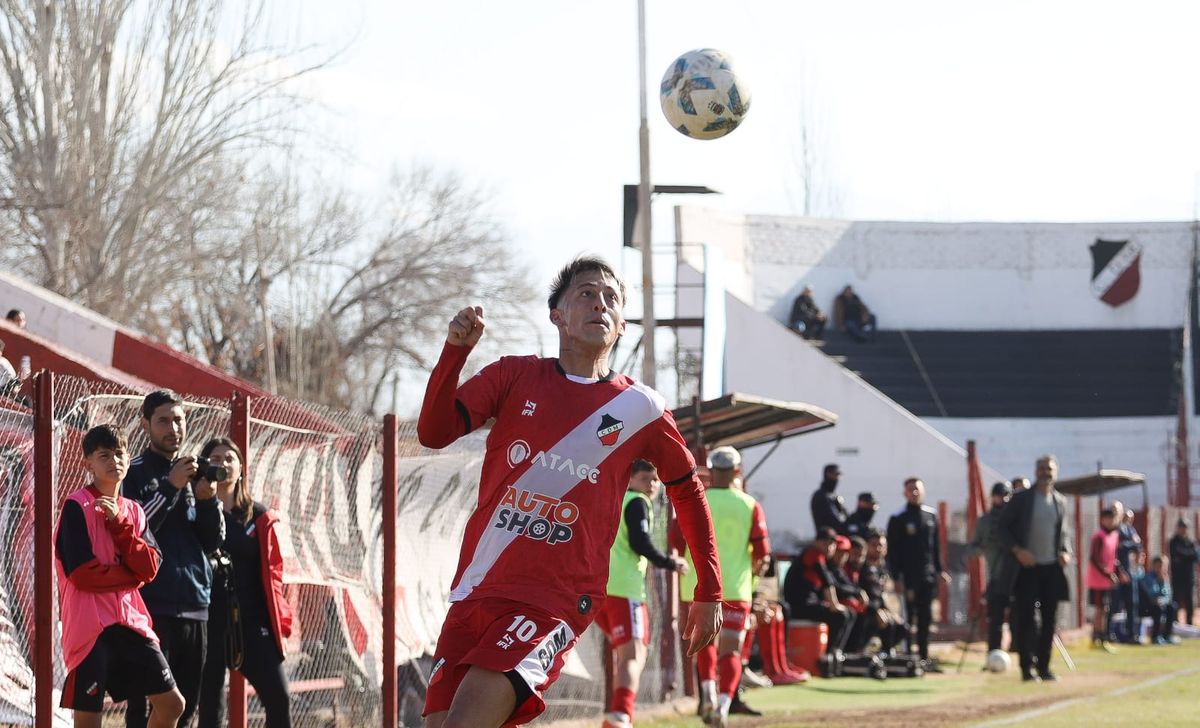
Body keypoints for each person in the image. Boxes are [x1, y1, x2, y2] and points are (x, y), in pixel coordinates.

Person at [415, 257, 722, 728]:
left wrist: (709, 589)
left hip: (554, 601)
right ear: (557, 314)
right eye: (585, 293)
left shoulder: (640, 408)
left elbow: (687, 491)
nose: (599, 303)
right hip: (476, 589)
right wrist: (454, 352)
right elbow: (434, 433)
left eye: (611, 299)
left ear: (621, 326)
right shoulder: (512, 376)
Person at [55, 424, 185, 728]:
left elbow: (150, 566)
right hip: (90, 628)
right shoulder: (76, 505)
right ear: (88, 464)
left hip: (130, 623)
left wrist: (120, 523)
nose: (114, 460)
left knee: (172, 704)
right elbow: (83, 575)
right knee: (89, 719)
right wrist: (131, 578)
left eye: (119, 453)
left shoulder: (134, 511)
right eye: (104, 455)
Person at [123, 390, 225, 728]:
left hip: (196, 604)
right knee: (148, 708)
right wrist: (169, 487)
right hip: (150, 608)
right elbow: (134, 529)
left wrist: (208, 500)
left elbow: (213, 541)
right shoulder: (133, 473)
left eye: (178, 420)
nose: (173, 428)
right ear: (145, 424)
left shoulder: (195, 471)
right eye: (163, 421)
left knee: (187, 709)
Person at [197, 438, 293, 728]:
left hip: (252, 620)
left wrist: (280, 618)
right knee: (210, 707)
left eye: (229, 458)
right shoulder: (194, 509)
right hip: (208, 619)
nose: (222, 463)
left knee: (279, 698)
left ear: (241, 468)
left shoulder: (260, 516)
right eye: (215, 458)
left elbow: (274, 573)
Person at [674, 447, 768, 728]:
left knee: (705, 646)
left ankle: (708, 695)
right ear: (738, 471)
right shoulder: (750, 504)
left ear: (710, 470)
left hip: (698, 588)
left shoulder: (695, 499)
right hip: (736, 590)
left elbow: (676, 543)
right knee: (732, 651)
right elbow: (762, 556)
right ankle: (724, 707)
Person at [595, 460, 687, 728]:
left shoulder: (614, 499)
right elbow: (640, 541)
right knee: (633, 656)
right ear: (631, 479)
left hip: (601, 589)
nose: (653, 484)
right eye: (647, 478)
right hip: (626, 590)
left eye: (656, 479)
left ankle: (617, 714)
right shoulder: (637, 502)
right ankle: (621, 716)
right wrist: (671, 562)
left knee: (623, 655)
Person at [996, 455, 1073, 683]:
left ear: (1055, 472)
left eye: (1049, 469)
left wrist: (1066, 552)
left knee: (1050, 620)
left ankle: (1044, 667)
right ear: (1035, 471)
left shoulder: (1060, 501)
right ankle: (1026, 668)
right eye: (1041, 468)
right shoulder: (1022, 500)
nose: (1045, 472)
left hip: (1051, 568)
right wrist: (1018, 550)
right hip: (1027, 568)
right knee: (1027, 620)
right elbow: (1002, 528)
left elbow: (1065, 534)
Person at [885, 478, 948, 669]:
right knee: (908, 618)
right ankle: (908, 657)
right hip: (907, 577)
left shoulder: (930, 516)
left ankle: (923, 656)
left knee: (926, 617)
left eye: (917, 489)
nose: (914, 493)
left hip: (926, 576)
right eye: (910, 490)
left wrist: (939, 571)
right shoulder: (898, 517)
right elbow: (893, 552)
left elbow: (935, 547)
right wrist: (896, 577)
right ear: (905, 493)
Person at [783, 527, 855, 654]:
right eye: (825, 543)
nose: (829, 547)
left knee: (850, 613)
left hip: (810, 604)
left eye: (832, 544)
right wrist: (834, 605)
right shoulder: (813, 554)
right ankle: (828, 655)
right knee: (840, 616)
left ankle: (838, 653)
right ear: (816, 542)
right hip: (798, 606)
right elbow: (827, 581)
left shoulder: (825, 560)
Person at [968, 482, 1012, 653]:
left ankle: (1020, 651)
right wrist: (984, 547)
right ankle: (994, 652)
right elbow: (972, 549)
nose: (1002, 499)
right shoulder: (984, 522)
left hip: (1016, 577)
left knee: (1020, 618)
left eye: (1005, 496)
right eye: (999, 495)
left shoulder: (1016, 520)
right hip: (996, 576)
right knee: (995, 619)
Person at [859, 532, 907, 655]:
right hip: (864, 610)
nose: (877, 548)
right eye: (873, 545)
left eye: (881, 545)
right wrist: (876, 610)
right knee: (885, 622)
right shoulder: (861, 567)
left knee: (901, 626)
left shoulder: (883, 569)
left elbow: (880, 594)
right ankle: (861, 651)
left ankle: (884, 654)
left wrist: (889, 611)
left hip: (878, 608)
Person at [1085, 507, 1121, 653]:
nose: (1111, 521)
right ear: (1102, 520)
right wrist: (1108, 574)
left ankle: (1100, 637)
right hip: (1097, 580)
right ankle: (1098, 638)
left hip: (1107, 580)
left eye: (1113, 518)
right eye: (1108, 518)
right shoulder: (1098, 537)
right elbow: (1094, 558)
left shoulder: (1115, 535)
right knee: (1100, 610)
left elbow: (1113, 557)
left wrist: (1119, 572)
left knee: (1104, 610)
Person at [1113, 506, 1143, 643]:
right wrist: (1131, 544)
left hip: (1130, 572)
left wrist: (1131, 545)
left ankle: (1133, 634)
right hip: (1118, 572)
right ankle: (1111, 634)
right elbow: (1119, 547)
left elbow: (1138, 545)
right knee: (1114, 604)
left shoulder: (1130, 530)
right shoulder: (1116, 529)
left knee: (1132, 604)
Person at [1139, 556, 1176, 644]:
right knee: (1158, 608)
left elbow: (1168, 596)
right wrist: (1160, 581)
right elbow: (1152, 594)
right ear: (1154, 566)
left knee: (1172, 606)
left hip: (1159, 605)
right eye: (1159, 566)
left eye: (1164, 566)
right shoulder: (1148, 577)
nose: (1162, 568)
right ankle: (1155, 637)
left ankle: (1167, 636)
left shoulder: (1165, 578)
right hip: (1146, 606)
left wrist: (1163, 582)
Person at [1168, 519, 1197, 626]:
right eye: (1181, 528)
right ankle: (1175, 622)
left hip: (1189, 576)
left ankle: (1189, 623)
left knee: (1190, 601)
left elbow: (1195, 556)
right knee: (1176, 600)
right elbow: (1177, 555)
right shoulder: (1174, 541)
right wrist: (1188, 555)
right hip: (1177, 577)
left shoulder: (1190, 541)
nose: (1183, 530)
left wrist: (1185, 556)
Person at [810, 464, 848, 535]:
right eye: (836, 474)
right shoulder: (821, 496)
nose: (838, 478)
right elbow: (833, 520)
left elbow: (846, 516)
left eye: (839, 475)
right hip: (829, 540)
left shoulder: (834, 496)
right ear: (828, 474)